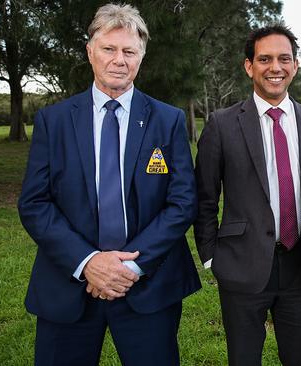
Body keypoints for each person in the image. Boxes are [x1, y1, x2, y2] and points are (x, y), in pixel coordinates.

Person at [18, 4, 200, 365]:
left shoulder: (167, 120)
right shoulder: (53, 121)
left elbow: (182, 202)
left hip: (147, 287)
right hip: (69, 286)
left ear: (141, 57)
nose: (119, 60)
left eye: (129, 51)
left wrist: (129, 267)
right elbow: (35, 203)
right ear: (90, 52)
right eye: (109, 49)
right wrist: (88, 262)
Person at [193, 24, 301, 366]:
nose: (276, 67)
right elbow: (204, 198)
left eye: (284, 59)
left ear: (295, 65)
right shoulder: (222, 124)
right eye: (265, 59)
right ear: (249, 66)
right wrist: (212, 256)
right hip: (241, 264)